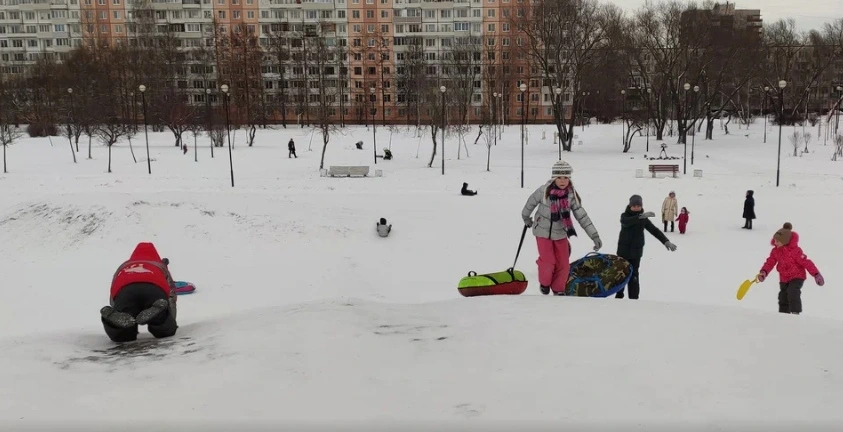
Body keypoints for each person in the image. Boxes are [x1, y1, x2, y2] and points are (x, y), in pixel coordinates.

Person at [521, 160, 602, 296]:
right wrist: (526, 218)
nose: (563, 181)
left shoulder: (571, 195)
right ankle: (545, 284)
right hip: (542, 231)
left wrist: (594, 236)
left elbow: (582, 217)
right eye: (559, 177)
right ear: (554, 178)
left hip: (561, 233)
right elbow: (530, 203)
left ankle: (558, 289)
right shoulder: (543, 191)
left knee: (563, 264)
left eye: (566, 177)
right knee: (548, 261)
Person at [100, 242, 178, 342]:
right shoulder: (159, 265)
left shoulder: (124, 265)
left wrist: (117, 308)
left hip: (126, 291)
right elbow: (172, 294)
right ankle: (158, 314)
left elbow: (114, 287)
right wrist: (170, 318)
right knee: (164, 330)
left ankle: (116, 323)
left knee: (124, 335)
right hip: (154, 289)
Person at [615, 194, 678, 300]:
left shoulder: (643, 219)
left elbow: (654, 230)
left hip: (636, 253)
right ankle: (619, 295)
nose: (636, 207)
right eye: (634, 205)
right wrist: (639, 217)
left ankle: (634, 299)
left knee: (634, 276)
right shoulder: (624, 215)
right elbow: (626, 222)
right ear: (630, 206)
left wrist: (666, 241)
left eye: (638, 206)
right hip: (623, 252)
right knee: (621, 275)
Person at [757, 223, 824, 315]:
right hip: (784, 277)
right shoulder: (775, 251)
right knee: (783, 296)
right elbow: (770, 262)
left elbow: (807, 263)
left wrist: (816, 274)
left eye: (777, 241)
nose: (775, 243)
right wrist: (764, 272)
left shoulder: (795, 251)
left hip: (797, 276)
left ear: (785, 241)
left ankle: (795, 312)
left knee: (792, 291)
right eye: (775, 240)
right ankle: (784, 315)